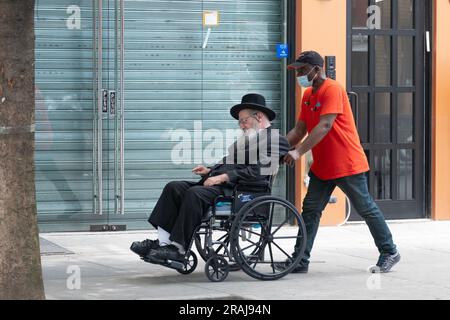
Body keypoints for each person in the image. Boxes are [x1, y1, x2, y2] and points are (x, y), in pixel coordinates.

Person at [277, 51, 400, 274]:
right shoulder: (307, 95)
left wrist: (298, 153)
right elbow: (300, 129)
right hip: (323, 166)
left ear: (317, 69)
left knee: (366, 209)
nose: (300, 74)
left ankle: (389, 251)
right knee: (310, 211)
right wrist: (276, 147)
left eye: (303, 70)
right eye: (297, 71)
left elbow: (325, 125)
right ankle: (300, 260)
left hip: (346, 163)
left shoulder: (333, 89)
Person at [130, 93, 290, 263]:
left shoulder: (275, 140)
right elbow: (229, 163)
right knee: (174, 187)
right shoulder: (246, 140)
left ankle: (178, 249)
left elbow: (259, 171)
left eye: (244, 120)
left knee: (195, 194)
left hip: (243, 191)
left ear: (258, 116)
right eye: (239, 122)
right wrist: (210, 170)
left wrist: (221, 177)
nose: (241, 125)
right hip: (223, 185)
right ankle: (163, 244)